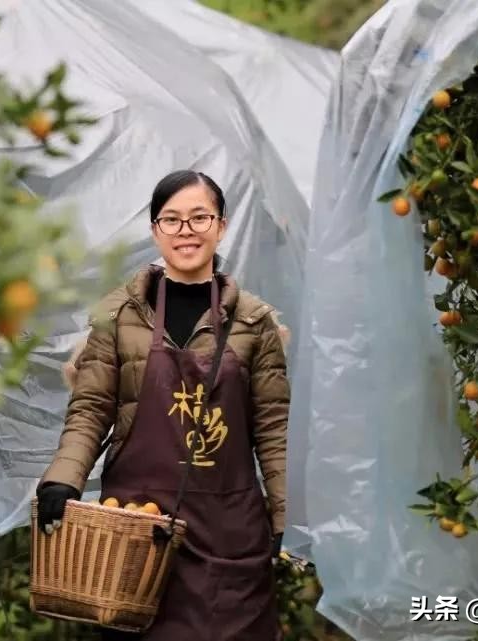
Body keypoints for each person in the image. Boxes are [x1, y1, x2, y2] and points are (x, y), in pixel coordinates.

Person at [36, 170, 290, 640]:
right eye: (171, 219)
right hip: (137, 535)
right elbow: (91, 408)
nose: (186, 230)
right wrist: (61, 480)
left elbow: (274, 430)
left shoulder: (255, 322)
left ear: (221, 225)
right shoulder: (117, 316)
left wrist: (283, 513)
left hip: (229, 535)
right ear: (155, 230)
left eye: (199, 217)